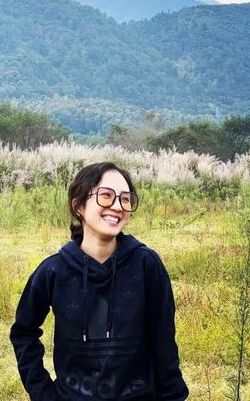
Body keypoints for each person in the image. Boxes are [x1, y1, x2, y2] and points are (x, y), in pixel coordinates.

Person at [10, 162, 188, 400]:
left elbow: (164, 341)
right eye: (106, 196)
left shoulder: (146, 265)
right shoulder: (53, 271)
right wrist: (44, 394)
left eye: (125, 199)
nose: (117, 206)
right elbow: (24, 332)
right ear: (78, 206)